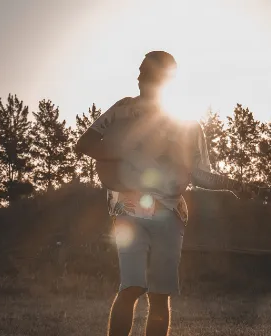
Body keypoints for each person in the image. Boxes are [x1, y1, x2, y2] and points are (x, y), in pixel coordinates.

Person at [75, 51, 246, 336]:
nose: (140, 76)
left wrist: (238, 185)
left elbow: (201, 174)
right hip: (127, 209)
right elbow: (85, 143)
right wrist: (129, 150)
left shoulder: (187, 125)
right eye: (141, 70)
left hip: (170, 212)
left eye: (148, 72)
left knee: (160, 294)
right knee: (130, 286)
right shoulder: (122, 109)